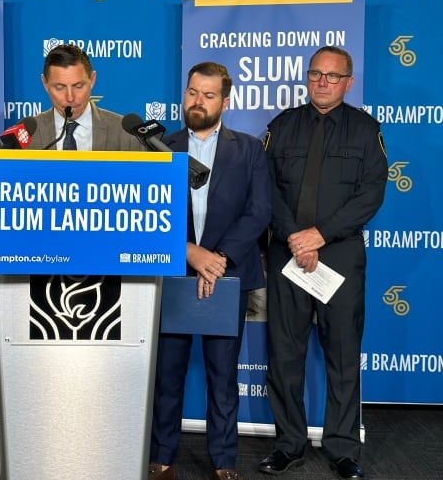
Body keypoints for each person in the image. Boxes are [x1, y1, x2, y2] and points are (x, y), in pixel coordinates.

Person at [259, 46, 387, 479]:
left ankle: (343, 448)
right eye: (316, 74)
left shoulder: (367, 130)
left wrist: (320, 235)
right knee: (284, 354)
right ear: (307, 77)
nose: (323, 82)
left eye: (333, 76)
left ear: (348, 82)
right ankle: (289, 443)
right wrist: (297, 237)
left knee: (343, 355)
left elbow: (371, 193)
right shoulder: (281, 126)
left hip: (340, 257)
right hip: (287, 256)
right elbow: (266, 190)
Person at [149, 62, 272, 480]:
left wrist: (215, 259)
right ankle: (162, 456)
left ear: (225, 100)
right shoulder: (161, 146)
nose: (197, 101)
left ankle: (223, 463)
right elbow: (149, 216)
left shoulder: (250, 149)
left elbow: (259, 212)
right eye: (192, 93)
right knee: (168, 375)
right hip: (174, 274)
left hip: (227, 275)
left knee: (223, 377)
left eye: (208, 95)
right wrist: (191, 255)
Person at [23, 43, 143, 151]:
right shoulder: (25, 136)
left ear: (92, 80)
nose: (70, 97)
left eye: (78, 86)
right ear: (45, 83)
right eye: (60, 87)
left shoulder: (126, 135)